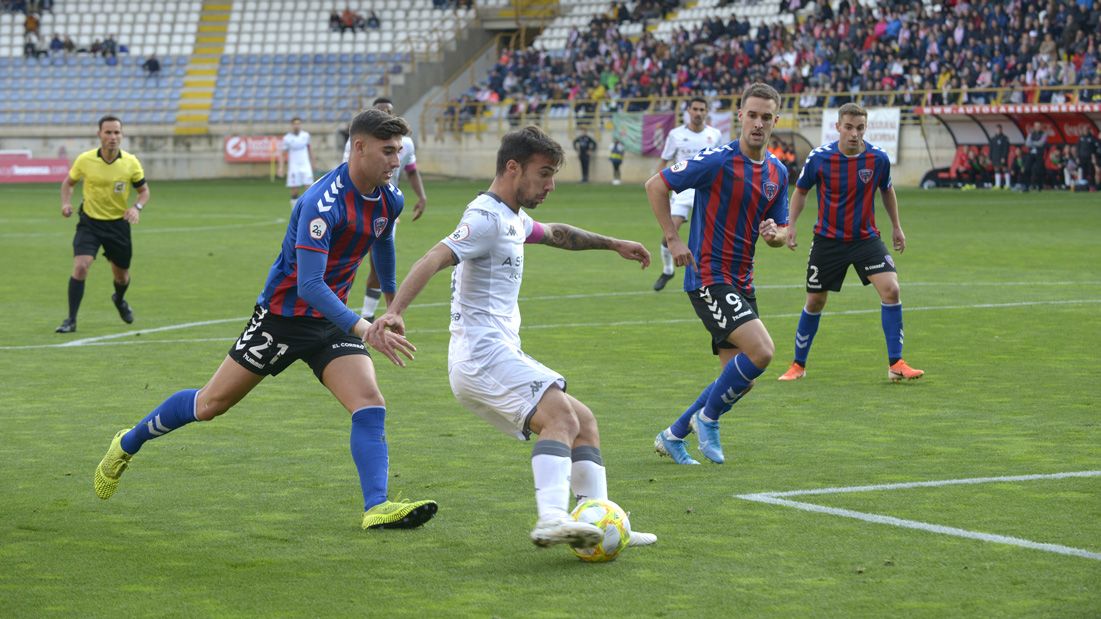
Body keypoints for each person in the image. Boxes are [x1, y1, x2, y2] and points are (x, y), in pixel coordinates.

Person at [92, 109, 438, 531]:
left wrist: (392, 306)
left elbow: (381, 241)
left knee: (369, 403)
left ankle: (377, 507)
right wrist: (364, 327)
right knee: (210, 405)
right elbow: (309, 284)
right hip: (281, 319)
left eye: (399, 151)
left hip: (330, 321)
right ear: (359, 147)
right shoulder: (321, 203)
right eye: (388, 151)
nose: (395, 160)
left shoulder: (390, 198)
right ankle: (127, 442)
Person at [366, 126, 658, 550]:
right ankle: (552, 519)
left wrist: (613, 244)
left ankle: (600, 523)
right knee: (560, 416)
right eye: (544, 174)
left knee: (584, 422)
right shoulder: (484, 217)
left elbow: (555, 233)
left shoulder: (512, 218)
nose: (550, 185)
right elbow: (435, 256)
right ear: (512, 167)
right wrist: (394, 312)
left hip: (497, 352)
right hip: (480, 355)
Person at [646, 83, 789, 466]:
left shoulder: (777, 172)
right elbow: (656, 185)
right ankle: (707, 419)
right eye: (752, 115)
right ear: (740, 116)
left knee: (740, 380)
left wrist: (775, 235)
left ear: (776, 120)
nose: (758, 123)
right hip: (708, 276)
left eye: (766, 117)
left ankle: (673, 435)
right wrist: (673, 240)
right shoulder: (716, 160)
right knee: (762, 352)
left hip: (743, 280)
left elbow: (782, 230)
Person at [777, 102, 924, 384]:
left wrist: (896, 226)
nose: (854, 133)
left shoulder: (877, 158)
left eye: (860, 128)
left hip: (866, 239)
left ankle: (896, 363)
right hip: (827, 241)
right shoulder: (819, 158)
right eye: (849, 127)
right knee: (815, 301)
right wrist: (791, 225)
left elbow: (887, 190)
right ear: (838, 127)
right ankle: (798, 364)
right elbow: (801, 191)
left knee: (891, 290)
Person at [56, 115, 150, 334]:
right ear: (99, 134)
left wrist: (136, 208)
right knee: (80, 266)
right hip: (89, 223)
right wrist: (66, 204)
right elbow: (68, 183)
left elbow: (144, 191)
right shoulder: (85, 160)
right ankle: (71, 320)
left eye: (117, 132)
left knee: (122, 276)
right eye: (108, 132)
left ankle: (119, 299)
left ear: (122, 135)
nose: (113, 137)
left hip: (118, 225)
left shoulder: (130, 163)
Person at [342, 97, 429, 321]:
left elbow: (410, 169)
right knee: (346, 264)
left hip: (385, 210)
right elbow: (347, 171)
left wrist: (421, 196)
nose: (395, 160)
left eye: (389, 111)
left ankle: (368, 317)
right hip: (355, 211)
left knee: (377, 265)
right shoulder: (357, 142)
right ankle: (341, 314)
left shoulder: (406, 145)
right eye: (381, 111)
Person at [651, 97, 723, 292]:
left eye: (702, 109)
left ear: (707, 112)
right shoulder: (675, 135)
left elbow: (721, 164)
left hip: (706, 189)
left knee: (713, 234)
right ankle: (668, 270)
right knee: (669, 233)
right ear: (688, 111)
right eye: (695, 109)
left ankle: (711, 274)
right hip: (682, 190)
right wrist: (658, 185)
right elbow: (664, 160)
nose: (698, 113)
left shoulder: (714, 135)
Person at [278, 117, 317, 208]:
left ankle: (308, 210)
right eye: (295, 124)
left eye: (298, 124)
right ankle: (294, 211)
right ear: (292, 125)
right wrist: (281, 167)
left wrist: (313, 162)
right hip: (294, 167)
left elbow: (310, 149)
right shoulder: (287, 138)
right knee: (294, 191)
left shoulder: (305, 136)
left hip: (305, 166)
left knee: (309, 189)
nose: (297, 126)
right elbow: (283, 154)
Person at [1023, 121, 1047, 192]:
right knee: (1027, 169)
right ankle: (1026, 186)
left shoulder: (1044, 134)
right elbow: (1027, 143)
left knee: (1039, 170)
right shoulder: (1031, 134)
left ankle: (1039, 186)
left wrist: (1032, 143)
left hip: (1039, 154)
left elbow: (1041, 143)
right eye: (1036, 126)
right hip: (1031, 154)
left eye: (1038, 126)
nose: (1037, 127)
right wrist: (1035, 143)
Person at [989, 124, 1011, 190]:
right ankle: (997, 185)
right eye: (997, 129)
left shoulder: (1005, 138)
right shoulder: (993, 139)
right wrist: (990, 157)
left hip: (1002, 157)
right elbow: (991, 149)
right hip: (995, 157)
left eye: (999, 129)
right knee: (996, 169)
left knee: (1005, 169)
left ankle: (1007, 185)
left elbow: (1006, 148)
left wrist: (1004, 157)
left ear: (1001, 130)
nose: (998, 130)